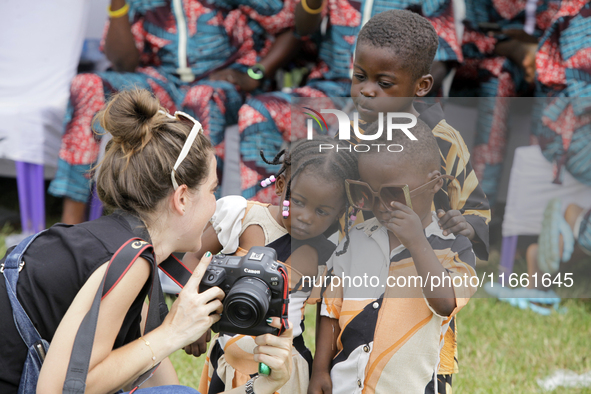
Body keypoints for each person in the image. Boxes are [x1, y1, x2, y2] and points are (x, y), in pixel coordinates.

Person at [0, 89, 294, 394]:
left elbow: (167, 388)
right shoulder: (130, 262)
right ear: (181, 198)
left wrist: (263, 384)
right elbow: (58, 388)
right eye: (211, 191)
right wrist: (173, 331)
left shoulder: (127, 249)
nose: (214, 205)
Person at [315, 9, 489, 391]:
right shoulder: (347, 136)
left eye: (384, 82)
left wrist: (463, 225)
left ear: (421, 85)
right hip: (358, 272)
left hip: (420, 283)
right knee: (352, 357)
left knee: (411, 367)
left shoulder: (444, 141)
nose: (366, 90)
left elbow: (475, 210)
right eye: (360, 77)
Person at [48, 0, 298, 224]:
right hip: (162, 82)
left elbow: (291, 26)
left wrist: (255, 73)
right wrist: (118, 5)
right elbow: (125, 63)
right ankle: (71, 224)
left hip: (222, 81)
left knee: (200, 97)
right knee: (86, 85)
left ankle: (205, 229)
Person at [310, 119, 477, 394]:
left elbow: (446, 303)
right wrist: (319, 370)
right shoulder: (354, 239)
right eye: (368, 194)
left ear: (435, 183)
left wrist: (417, 242)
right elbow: (331, 308)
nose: (381, 206)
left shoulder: (453, 245)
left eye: (394, 193)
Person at [238, 0, 464, 202]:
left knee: (368, 137)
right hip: (332, 90)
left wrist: (395, 99)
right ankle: (262, 223)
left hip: (392, 99)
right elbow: (302, 30)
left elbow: (442, 58)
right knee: (257, 112)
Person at [182, 137, 359, 394]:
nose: (305, 217)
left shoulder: (331, 252)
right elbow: (194, 260)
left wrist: (321, 369)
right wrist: (198, 317)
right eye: (297, 201)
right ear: (280, 185)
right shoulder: (242, 217)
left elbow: (327, 313)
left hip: (284, 367)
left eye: (322, 211)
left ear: (340, 211)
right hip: (228, 361)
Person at [450, 0, 559, 206]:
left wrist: (538, 56)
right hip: (489, 62)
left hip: (549, 64)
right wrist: (516, 48)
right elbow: (468, 34)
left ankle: (532, 207)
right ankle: (481, 201)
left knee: (551, 80)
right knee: (499, 74)